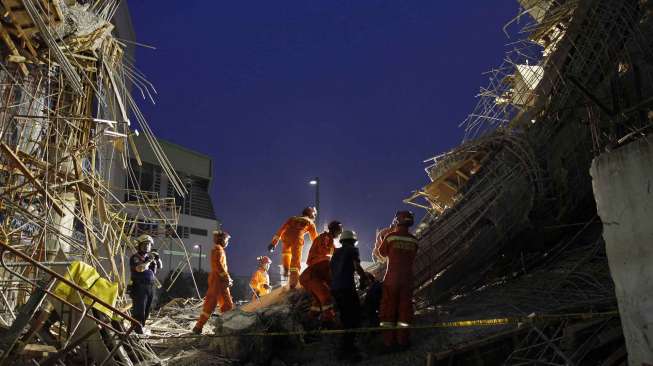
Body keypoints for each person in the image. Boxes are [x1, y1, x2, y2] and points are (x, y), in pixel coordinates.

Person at [378, 211, 418, 351]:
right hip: (407, 279)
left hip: (392, 279)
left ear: (397, 221)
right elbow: (412, 257)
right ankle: (403, 341)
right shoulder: (414, 240)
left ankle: (388, 342)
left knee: (389, 308)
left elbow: (381, 253)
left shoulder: (390, 237)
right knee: (405, 310)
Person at [330, 230, 371, 362]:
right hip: (347, 287)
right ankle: (349, 349)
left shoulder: (335, 252)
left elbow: (332, 271)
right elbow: (356, 266)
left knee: (344, 316)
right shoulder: (353, 250)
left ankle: (344, 349)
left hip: (335, 289)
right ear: (353, 241)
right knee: (353, 317)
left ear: (342, 240)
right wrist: (364, 278)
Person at [299, 220, 342, 323]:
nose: (339, 234)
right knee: (326, 296)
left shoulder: (329, 240)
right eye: (339, 231)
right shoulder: (326, 238)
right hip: (312, 274)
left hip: (311, 275)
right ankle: (329, 322)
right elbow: (326, 257)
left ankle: (310, 321)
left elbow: (336, 252)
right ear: (335, 230)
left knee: (318, 302)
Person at [193, 231, 234, 334]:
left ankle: (226, 327)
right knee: (211, 304)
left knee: (227, 305)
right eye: (227, 239)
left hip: (220, 281)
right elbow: (218, 265)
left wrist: (227, 278)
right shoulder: (218, 249)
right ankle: (198, 327)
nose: (227, 242)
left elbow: (220, 267)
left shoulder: (219, 249)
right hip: (217, 280)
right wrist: (227, 278)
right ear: (221, 239)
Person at [268, 207, 318, 288]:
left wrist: (273, 243)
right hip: (297, 240)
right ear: (311, 214)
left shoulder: (292, 218)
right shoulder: (310, 222)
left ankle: (286, 271)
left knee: (286, 255)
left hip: (286, 238)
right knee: (295, 262)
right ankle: (293, 284)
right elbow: (315, 239)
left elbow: (281, 230)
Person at [129, 234, 163, 334]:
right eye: (145, 244)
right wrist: (149, 261)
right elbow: (140, 268)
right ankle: (136, 329)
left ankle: (141, 326)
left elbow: (160, 266)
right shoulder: (135, 257)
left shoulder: (149, 257)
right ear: (139, 246)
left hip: (150, 286)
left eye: (149, 245)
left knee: (147, 309)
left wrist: (157, 258)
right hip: (139, 286)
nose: (147, 246)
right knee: (139, 309)